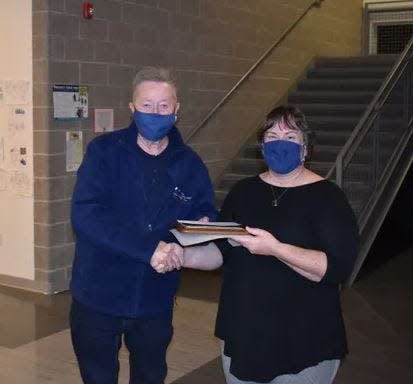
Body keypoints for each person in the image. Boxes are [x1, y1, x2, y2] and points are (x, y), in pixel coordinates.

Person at [157, 105, 359, 384]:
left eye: (290, 137)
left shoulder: (328, 197)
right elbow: (220, 253)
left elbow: (335, 268)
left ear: (305, 148)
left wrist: (275, 248)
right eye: (272, 136)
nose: (280, 143)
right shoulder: (244, 192)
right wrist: (183, 254)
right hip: (245, 332)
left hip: (303, 339)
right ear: (262, 147)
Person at [69, 66, 216, 384]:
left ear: (176, 110)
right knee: (97, 377)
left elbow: (204, 216)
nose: (155, 113)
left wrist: (195, 233)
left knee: (150, 376)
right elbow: (86, 216)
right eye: (147, 105)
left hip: (154, 298)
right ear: (132, 108)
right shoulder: (104, 153)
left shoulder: (190, 165)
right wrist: (149, 249)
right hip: (97, 295)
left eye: (164, 106)